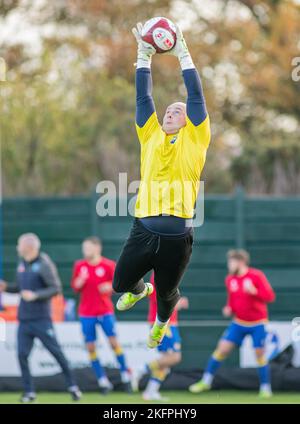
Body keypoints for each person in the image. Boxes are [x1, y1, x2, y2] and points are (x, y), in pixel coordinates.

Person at [113, 21, 211, 349]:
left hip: (177, 234)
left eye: (177, 111)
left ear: (189, 121)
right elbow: (144, 97)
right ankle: (143, 291)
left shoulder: (196, 139)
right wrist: (143, 56)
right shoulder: (150, 134)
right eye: (168, 109)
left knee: (169, 294)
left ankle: (162, 322)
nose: (170, 112)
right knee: (121, 284)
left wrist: (182, 52)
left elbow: (195, 95)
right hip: (143, 228)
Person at [0, 233, 81, 403]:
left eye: (19, 244)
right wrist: (6, 287)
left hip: (41, 319)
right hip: (24, 320)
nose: (17, 248)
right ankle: (29, 392)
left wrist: (36, 295)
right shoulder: (22, 263)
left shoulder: (44, 264)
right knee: (22, 355)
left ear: (28, 247)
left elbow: (55, 288)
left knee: (56, 353)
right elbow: (19, 288)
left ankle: (73, 386)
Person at [189, 249, 276, 398]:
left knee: (259, 354)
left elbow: (270, 297)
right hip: (238, 323)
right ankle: (206, 381)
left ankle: (265, 388)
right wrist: (229, 309)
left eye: (231, 262)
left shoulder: (256, 276)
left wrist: (255, 291)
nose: (229, 265)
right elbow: (232, 300)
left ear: (240, 262)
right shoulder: (230, 279)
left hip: (258, 323)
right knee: (222, 349)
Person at [71, 237, 132, 394]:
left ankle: (126, 376)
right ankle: (102, 381)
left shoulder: (108, 265)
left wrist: (110, 286)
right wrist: (78, 282)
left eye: (88, 248)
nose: (85, 251)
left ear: (97, 248)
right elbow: (74, 287)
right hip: (86, 313)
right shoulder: (80, 266)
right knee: (90, 346)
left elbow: (118, 285)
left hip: (105, 311)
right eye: (84, 248)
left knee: (114, 343)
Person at [142, 272, 188, 401]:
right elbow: (162, 300)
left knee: (166, 362)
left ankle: (150, 392)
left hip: (170, 322)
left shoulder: (168, 274)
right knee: (174, 357)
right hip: (162, 323)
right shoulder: (160, 275)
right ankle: (141, 370)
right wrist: (178, 303)